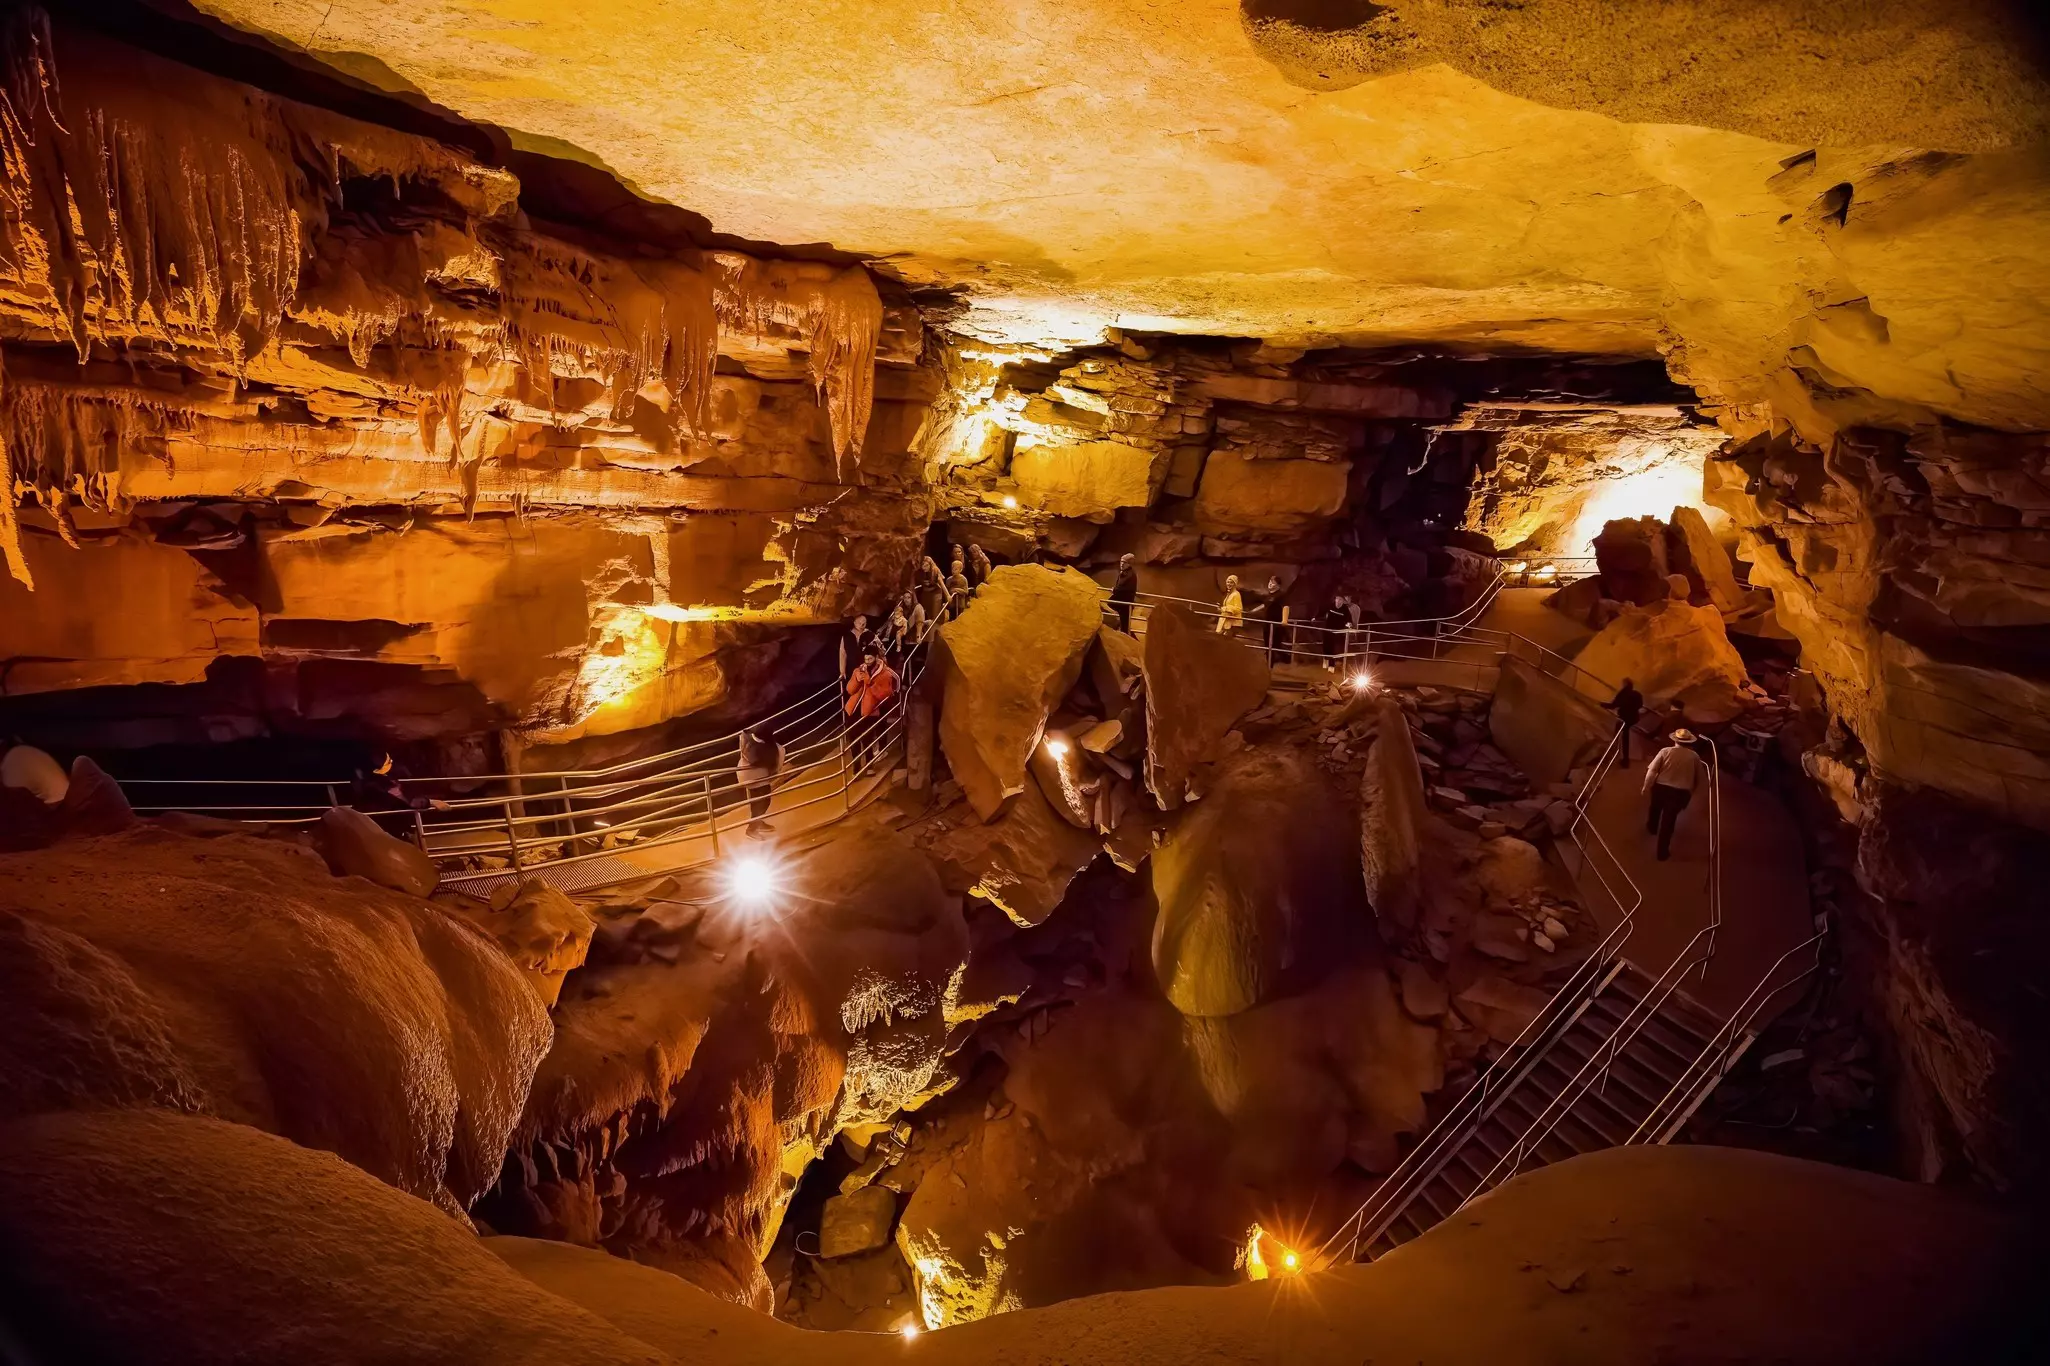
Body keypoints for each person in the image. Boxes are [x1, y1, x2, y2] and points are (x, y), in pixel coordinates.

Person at [1642, 728, 1707, 861]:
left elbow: (1652, 771)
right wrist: (1694, 793)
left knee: (1655, 808)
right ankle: (1662, 852)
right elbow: (1700, 779)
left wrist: (1646, 786)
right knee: (1669, 821)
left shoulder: (1665, 751)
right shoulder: (1694, 757)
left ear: (1674, 740)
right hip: (1680, 792)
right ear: (1689, 742)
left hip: (1660, 787)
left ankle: (1652, 827)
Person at [845, 644, 900, 772]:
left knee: (867, 737)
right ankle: (856, 766)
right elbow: (849, 690)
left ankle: (869, 765)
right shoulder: (858, 670)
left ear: (876, 657)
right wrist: (857, 680)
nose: (867, 662)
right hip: (853, 709)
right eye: (865, 660)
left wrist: (870, 683)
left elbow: (884, 694)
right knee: (853, 737)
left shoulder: (885, 674)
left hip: (869, 710)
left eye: (870, 659)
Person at [737, 723, 783, 836]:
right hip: (757, 778)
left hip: (744, 772)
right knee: (764, 801)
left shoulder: (746, 737)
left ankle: (757, 823)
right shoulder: (766, 749)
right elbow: (775, 767)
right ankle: (752, 829)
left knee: (755, 800)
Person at [0, 737, 68, 805]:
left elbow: (12, 798)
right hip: (65, 794)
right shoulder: (22, 751)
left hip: (56, 804)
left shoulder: (11, 761)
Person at [1603, 677, 1645, 763]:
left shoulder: (1623, 694)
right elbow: (1640, 705)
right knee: (1625, 737)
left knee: (1616, 736)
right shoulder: (1637, 694)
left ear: (1624, 684)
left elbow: (1613, 705)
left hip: (1624, 719)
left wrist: (1600, 704)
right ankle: (1624, 759)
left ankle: (1613, 755)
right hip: (1633, 718)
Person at [1320, 594, 1353, 669]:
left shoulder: (1345, 609)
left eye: (1340, 600)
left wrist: (1349, 624)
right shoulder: (1330, 606)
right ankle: (1325, 659)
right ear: (1335, 599)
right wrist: (1315, 617)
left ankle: (1331, 665)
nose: (1338, 601)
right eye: (1337, 599)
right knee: (1326, 646)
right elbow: (1322, 612)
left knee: (1334, 647)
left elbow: (1349, 619)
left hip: (1338, 631)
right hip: (1328, 629)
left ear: (1343, 601)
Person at [1109, 553, 1140, 632]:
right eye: (1121, 562)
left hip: (1125, 602)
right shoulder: (1125, 572)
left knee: (1125, 625)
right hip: (1123, 602)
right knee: (1124, 624)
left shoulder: (1129, 574)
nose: (1122, 564)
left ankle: (1127, 638)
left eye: (1124, 562)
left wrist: (1115, 590)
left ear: (1129, 564)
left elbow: (1124, 588)